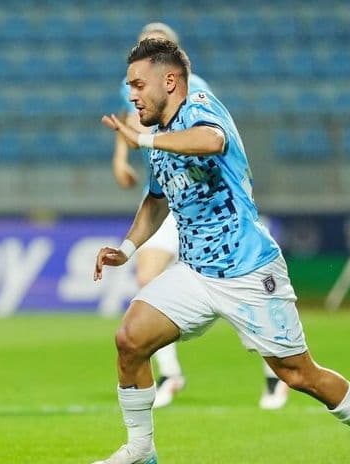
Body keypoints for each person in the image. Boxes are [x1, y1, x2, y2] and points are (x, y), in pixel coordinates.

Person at [92, 38, 350, 464]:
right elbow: (157, 200)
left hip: (249, 270)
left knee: (298, 374)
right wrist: (127, 249)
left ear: (170, 81)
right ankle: (142, 449)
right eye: (130, 86)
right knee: (130, 339)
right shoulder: (160, 135)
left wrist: (143, 141)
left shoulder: (200, 108)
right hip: (196, 273)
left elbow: (211, 142)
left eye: (139, 85)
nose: (132, 96)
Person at [110, 22, 288, 410]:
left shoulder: (197, 90)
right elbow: (130, 122)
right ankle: (170, 373)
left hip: (208, 203)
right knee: (146, 277)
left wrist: (141, 141)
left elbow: (208, 137)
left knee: (241, 297)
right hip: (169, 197)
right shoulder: (134, 87)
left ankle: (276, 374)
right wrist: (121, 158)